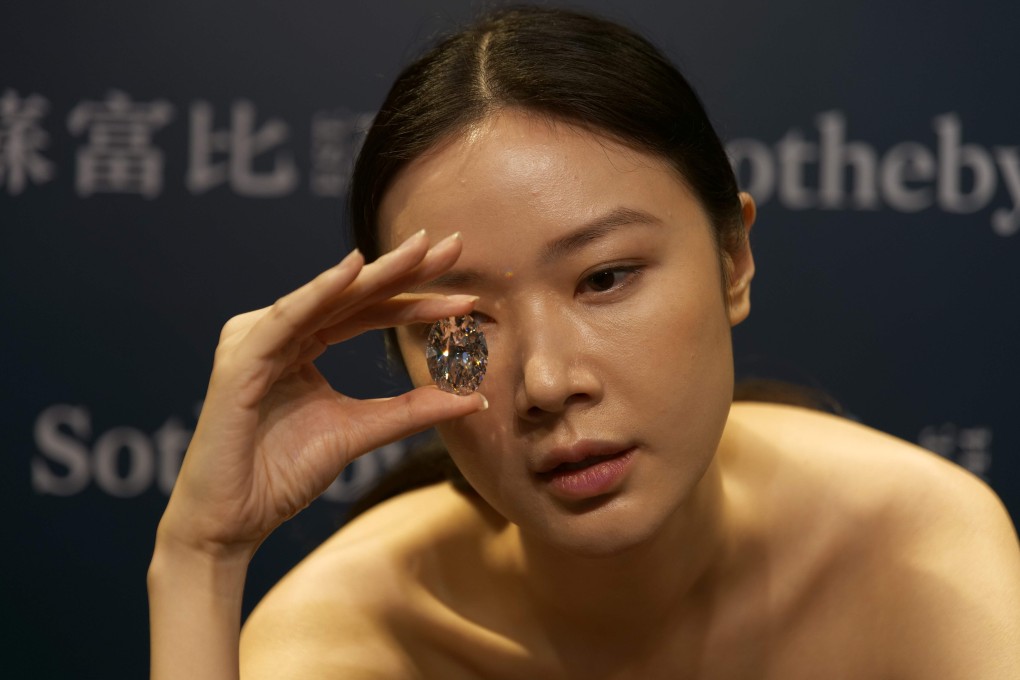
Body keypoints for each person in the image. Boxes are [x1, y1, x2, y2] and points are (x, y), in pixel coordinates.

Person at [148, 6, 1020, 678]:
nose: (548, 381)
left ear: (734, 260)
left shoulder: (910, 551)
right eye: (457, 325)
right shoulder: (357, 636)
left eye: (605, 279)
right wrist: (200, 559)